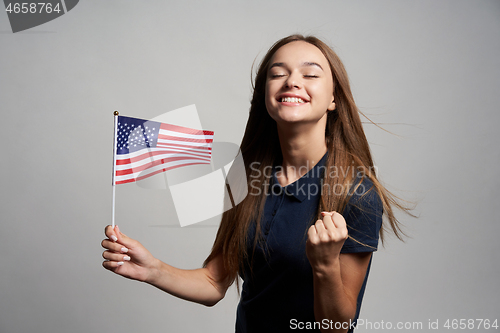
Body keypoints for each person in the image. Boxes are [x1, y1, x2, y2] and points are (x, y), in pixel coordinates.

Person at [102, 35, 408, 333]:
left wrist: (325, 264)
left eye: (310, 73)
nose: (291, 81)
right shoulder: (243, 176)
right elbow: (214, 281)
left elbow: (337, 328)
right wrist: (153, 270)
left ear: (333, 99)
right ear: (265, 94)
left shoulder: (357, 194)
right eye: (278, 74)